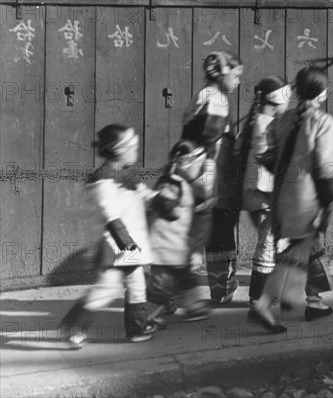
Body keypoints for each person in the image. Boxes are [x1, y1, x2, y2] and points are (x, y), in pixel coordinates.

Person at [248, 66, 333, 333]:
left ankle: (304, 301)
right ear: (322, 93)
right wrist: (329, 202)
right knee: (300, 252)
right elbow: (328, 169)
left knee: (299, 252)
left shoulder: (283, 119)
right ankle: (267, 305)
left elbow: (265, 155)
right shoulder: (323, 122)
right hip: (307, 199)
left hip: (282, 199)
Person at [60, 124, 165, 348]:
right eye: (132, 146)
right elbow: (110, 214)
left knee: (137, 286)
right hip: (113, 244)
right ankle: (74, 324)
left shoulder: (126, 175)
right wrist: (126, 243)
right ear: (119, 149)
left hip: (129, 245)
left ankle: (137, 329)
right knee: (107, 289)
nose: (136, 150)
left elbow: (145, 194)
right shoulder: (102, 179)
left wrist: (164, 200)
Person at [181, 51, 244, 304]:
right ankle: (218, 289)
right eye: (237, 75)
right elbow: (209, 143)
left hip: (200, 176)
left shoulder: (205, 95)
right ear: (222, 73)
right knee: (218, 232)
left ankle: (216, 290)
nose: (239, 82)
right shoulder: (216, 99)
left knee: (207, 235)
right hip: (212, 179)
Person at [145, 140, 214, 329]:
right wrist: (170, 207)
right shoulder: (172, 182)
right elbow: (161, 202)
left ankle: (194, 307)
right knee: (160, 287)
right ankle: (143, 318)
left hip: (177, 246)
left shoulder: (183, 183)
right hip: (165, 246)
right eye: (195, 164)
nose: (198, 169)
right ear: (183, 163)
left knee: (186, 278)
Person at [238, 76, 291, 305]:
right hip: (266, 195)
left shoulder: (253, 121)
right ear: (279, 100)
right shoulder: (267, 125)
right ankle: (258, 298)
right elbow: (268, 164)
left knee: (273, 242)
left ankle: (270, 293)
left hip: (254, 195)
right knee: (269, 244)